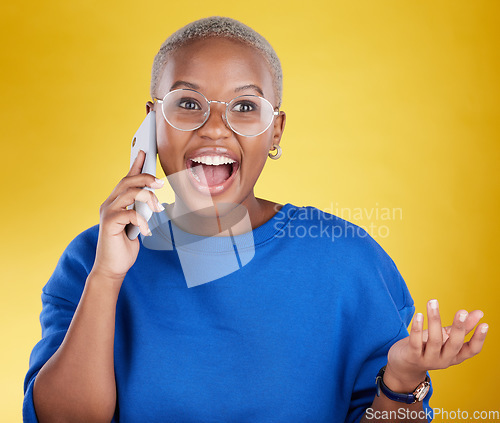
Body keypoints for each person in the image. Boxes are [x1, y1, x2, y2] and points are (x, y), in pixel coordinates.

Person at [23, 16, 488, 423]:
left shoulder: (345, 259)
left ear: (276, 132)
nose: (215, 127)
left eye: (245, 107)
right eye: (187, 103)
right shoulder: (92, 258)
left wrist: (401, 382)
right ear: (151, 124)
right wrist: (106, 276)